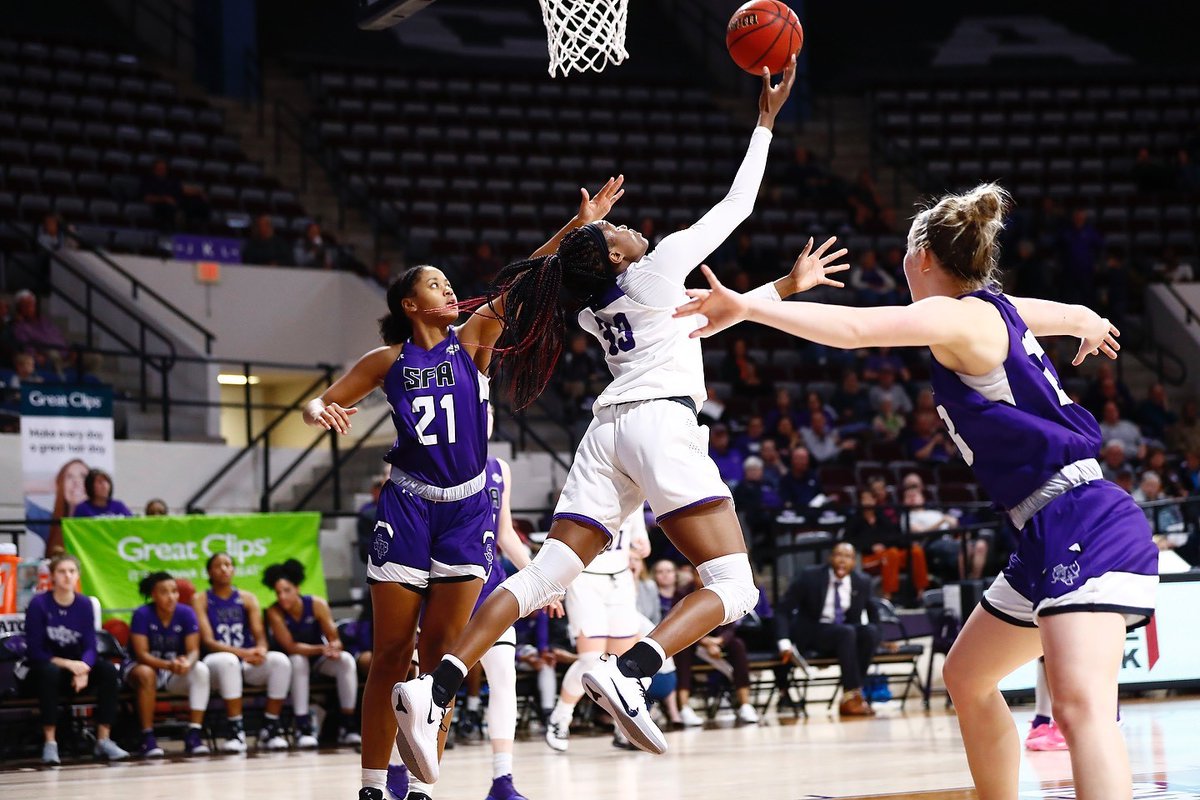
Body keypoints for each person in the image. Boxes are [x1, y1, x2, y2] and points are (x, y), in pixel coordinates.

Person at [391, 59, 828, 774]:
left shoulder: (596, 309)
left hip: (608, 436)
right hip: (658, 425)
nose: (629, 225)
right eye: (620, 229)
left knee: (543, 578)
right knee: (734, 586)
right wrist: (765, 121)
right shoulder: (654, 270)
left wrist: (783, 286)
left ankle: (433, 688)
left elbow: (701, 321)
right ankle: (630, 671)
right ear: (619, 256)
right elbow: (737, 206)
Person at [675, 182, 1158, 800]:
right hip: (1044, 528)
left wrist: (747, 307)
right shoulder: (987, 310)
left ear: (922, 256)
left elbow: (855, 328)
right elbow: (1045, 312)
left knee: (1079, 707)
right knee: (968, 675)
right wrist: (1084, 318)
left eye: (906, 252)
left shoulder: (956, 315)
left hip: (1081, 519)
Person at [303, 178, 624, 800]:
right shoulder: (386, 360)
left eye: (449, 283)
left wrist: (579, 226)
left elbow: (527, 278)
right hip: (408, 505)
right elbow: (320, 402)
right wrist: (322, 412)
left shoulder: (473, 339)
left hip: (467, 509)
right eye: (436, 285)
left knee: (441, 656)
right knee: (392, 652)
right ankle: (373, 785)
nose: (450, 290)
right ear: (410, 305)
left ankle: (423, 789)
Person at [545, 507, 650, 753]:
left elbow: (641, 544)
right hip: (585, 579)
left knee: (623, 664)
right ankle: (561, 717)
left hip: (621, 580)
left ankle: (623, 727)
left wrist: (640, 547)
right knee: (591, 660)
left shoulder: (636, 497)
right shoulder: (584, 494)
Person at [22, 554, 128, 764]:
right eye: (62, 571)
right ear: (52, 576)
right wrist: (71, 665)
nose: (67, 576)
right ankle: (50, 742)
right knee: (49, 673)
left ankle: (103, 739)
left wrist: (84, 668)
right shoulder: (39, 604)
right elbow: (35, 651)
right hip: (46, 668)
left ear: (78, 575)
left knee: (107, 671)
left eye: (72, 571)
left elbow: (90, 646)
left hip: (77, 670)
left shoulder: (84, 604)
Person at [194, 552, 292, 752]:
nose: (224, 569)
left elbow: (260, 635)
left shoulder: (247, 598)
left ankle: (270, 728)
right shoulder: (201, 599)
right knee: (228, 661)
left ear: (234, 570)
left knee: (280, 661)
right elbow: (208, 641)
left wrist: (261, 650)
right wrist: (242, 653)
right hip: (216, 664)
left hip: (245, 660)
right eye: (218, 565)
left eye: (228, 564)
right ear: (209, 572)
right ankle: (235, 730)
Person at [774, 543, 880, 717]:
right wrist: (783, 641)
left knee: (868, 632)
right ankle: (852, 696)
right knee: (846, 632)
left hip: (845, 636)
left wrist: (881, 641)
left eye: (848, 557)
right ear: (830, 558)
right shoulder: (810, 576)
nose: (842, 560)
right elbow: (782, 610)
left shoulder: (862, 581)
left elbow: (874, 615)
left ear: (854, 562)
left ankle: (851, 695)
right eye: (839, 555)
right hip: (813, 632)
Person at [263, 559, 360, 748]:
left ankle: (348, 725)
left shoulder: (316, 604)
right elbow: (291, 646)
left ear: (297, 588)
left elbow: (334, 638)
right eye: (278, 592)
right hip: (291, 663)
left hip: (318, 660)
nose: (282, 596)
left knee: (346, 660)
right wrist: (322, 648)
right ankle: (303, 726)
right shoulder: (274, 612)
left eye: (287, 590)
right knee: (298, 660)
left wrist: (334, 647)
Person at [125, 571, 212, 757]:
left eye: (174, 591)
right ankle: (147, 737)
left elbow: (193, 650)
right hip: (143, 667)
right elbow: (141, 655)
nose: (171, 596)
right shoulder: (142, 614)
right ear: (153, 595)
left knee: (200, 669)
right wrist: (168, 664)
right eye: (164, 592)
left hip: (172, 670)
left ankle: (194, 734)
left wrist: (187, 662)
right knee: (146, 673)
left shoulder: (186, 613)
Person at [844, 490, 927, 601]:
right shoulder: (854, 520)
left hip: (888, 553)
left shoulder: (882, 517)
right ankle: (888, 596)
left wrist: (887, 544)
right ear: (860, 501)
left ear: (875, 500)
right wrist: (871, 547)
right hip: (867, 557)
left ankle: (921, 593)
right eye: (864, 499)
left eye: (870, 499)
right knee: (891, 553)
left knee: (916, 551)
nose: (868, 502)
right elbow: (849, 541)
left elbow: (894, 536)